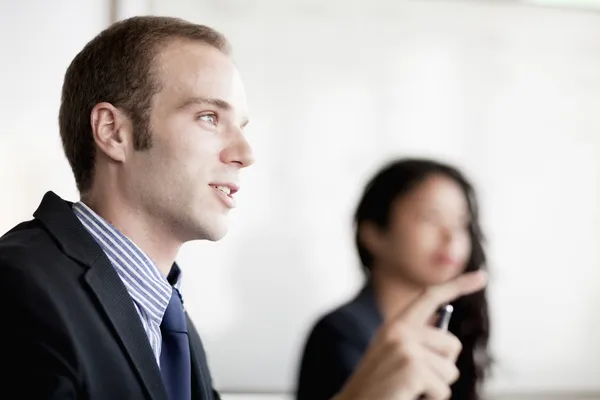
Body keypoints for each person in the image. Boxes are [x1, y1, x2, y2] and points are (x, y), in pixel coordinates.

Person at [0, 16, 487, 400]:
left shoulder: (169, 318)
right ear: (114, 132)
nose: (245, 153)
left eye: (243, 126)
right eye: (210, 117)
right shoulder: (19, 286)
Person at [296, 158, 492, 400]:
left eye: (461, 222)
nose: (451, 236)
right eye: (431, 217)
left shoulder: (458, 326)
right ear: (374, 233)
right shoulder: (339, 332)